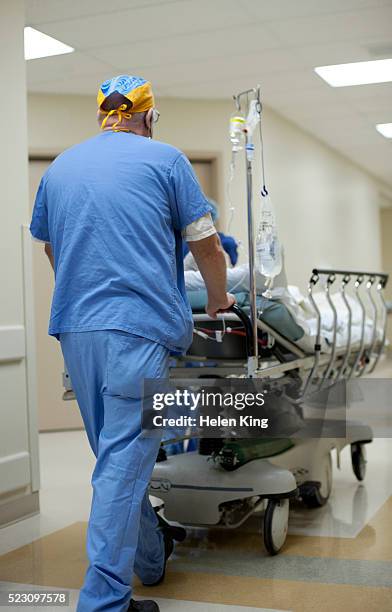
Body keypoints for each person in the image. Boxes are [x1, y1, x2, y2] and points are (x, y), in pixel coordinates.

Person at [30, 75, 235, 612]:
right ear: (150, 116)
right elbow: (209, 247)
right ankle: (104, 603)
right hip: (137, 332)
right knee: (122, 465)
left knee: (115, 460)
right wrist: (218, 301)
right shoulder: (166, 160)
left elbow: (51, 247)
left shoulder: (59, 169)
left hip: (77, 330)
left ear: (103, 115)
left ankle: (148, 559)